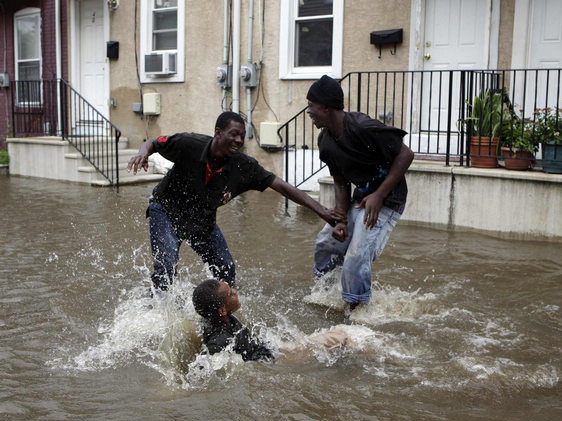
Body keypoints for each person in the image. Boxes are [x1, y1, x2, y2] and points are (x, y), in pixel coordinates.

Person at [127, 111, 340, 294]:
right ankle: (154, 315)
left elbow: (282, 186)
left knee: (225, 268)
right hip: (166, 210)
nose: (239, 140)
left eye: (242, 136)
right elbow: (153, 142)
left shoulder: (243, 167)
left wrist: (322, 211)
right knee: (166, 266)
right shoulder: (189, 144)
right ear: (218, 133)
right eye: (234, 134)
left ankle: (220, 313)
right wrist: (142, 154)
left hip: (202, 219)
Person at [305, 75, 414, 315]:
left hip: (388, 200)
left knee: (356, 255)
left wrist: (379, 194)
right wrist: (341, 219)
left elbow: (406, 154)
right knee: (326, 242)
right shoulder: (325, 141)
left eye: (311, 106)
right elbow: (341, 183)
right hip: (360, 199)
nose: (308, 111)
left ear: (325, 106)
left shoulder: (362, 127)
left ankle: (357, 310)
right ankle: (328, 294)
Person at [192, 279, 353, 363]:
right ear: (222, 310)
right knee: (341, 337)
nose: (235, 291)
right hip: (274, 361)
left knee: (339, 337)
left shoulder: (215, 319)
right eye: (231, 294)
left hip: (271, 351)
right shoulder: (220, 340)